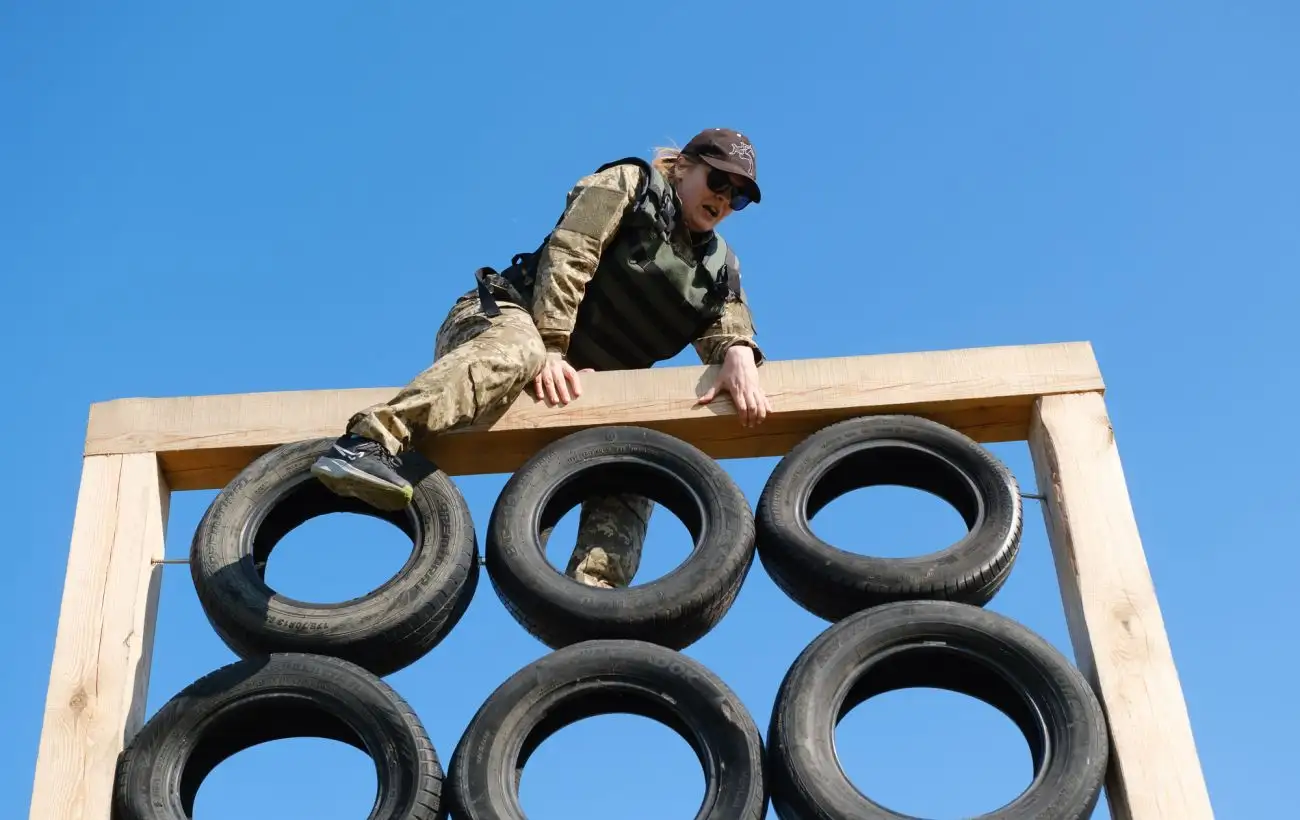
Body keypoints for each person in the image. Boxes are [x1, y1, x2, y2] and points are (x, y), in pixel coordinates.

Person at [310, 127, 771, 588]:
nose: (725, 200)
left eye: (739, 198)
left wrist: (739, 352)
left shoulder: (719, 267)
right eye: (718, 182)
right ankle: (368, 442)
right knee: (522, 351)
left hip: (582, 384)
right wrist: (551, 346)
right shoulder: (632, 184)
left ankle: (592, 603)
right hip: (505, 322)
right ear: (684, 167)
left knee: (637, 457)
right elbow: (572, 252)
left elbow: (730, 327)